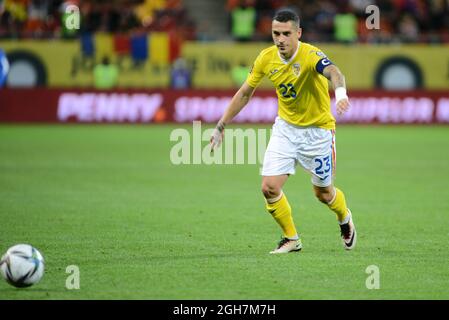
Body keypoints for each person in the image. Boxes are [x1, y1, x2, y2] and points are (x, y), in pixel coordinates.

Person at [210, 9, 356, 254]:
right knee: (268, 187)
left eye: (286, 33)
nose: (280, 39)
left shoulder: (310, 55)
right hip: (286, 130)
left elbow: (335, 73)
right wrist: (221, 124)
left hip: (318, 133)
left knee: (323, 193)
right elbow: (245, 93)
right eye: (276, 33)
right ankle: (291, 238)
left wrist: (340, 94)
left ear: (298, 33)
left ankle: (344, 217)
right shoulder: (267, 58)